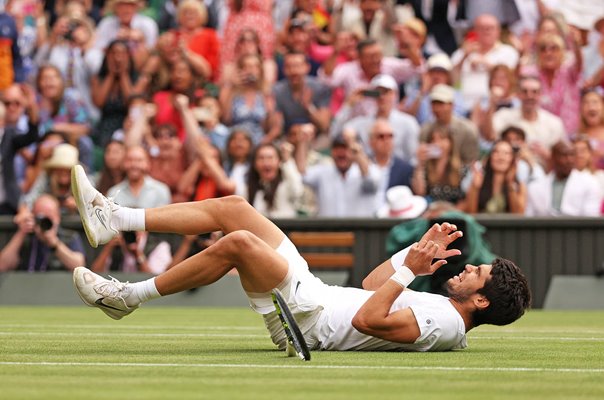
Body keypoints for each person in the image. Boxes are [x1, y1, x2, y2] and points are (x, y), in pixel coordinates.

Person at [70, 165, 531, 352]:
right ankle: (115, 217)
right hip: (316, 294)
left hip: (306, 322)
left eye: (478, 273)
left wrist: (411, 272)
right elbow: (372, 291)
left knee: (239, 244)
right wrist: (410, 256)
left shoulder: (447, 326)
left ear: (484, 302)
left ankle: (127, 295)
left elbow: (370, 321)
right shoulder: (445, 312)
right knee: (234, 208)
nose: (469, 266)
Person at [0, 194, 85, 272]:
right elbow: (2, 266)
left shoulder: (69, 237)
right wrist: (21, 233)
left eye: (49, 219)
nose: (44, 224)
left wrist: (55, 244)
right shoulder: (26, 237)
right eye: (40, 218)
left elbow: (79, 266)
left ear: (58, 218)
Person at [525, 141, 602, 217]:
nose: (569, 160)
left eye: (572, 155)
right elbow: (529, 219)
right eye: (564, 155)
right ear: (553, 158)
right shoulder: (535, 187)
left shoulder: (590, 183)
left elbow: (591, 218)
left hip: (577, 228)